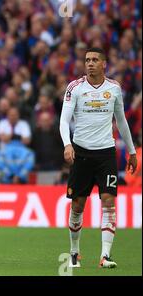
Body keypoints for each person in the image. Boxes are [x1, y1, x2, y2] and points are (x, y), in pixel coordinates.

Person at [59, 47, 137, 269]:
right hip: (81, 152)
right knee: (78, 205)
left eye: (94, 60)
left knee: (109, 201)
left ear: (104, 64)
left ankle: (105, 256)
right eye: (87, 60)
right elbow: (64, 121)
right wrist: (67, 144)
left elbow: (121, 121)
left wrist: (131, 151)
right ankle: (74, 252)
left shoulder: (113, 88)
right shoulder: (74, 88)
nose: (90, 63)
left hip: (106, 154)